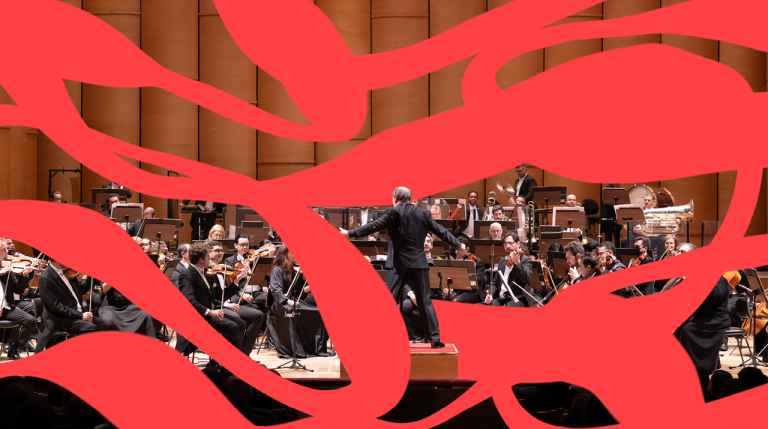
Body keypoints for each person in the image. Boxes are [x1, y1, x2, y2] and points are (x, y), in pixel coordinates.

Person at [339, 186, 465, 348]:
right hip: (419, 264)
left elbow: (373, 226)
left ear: (395, 199)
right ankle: (435, 339)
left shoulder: (393, 212)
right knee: (425, 301)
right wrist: (458, 244)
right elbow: (441, 232)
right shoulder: (423, 214)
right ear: (410, 198)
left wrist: (349, 233)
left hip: (398, 264)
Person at [177, 242, 246, 355]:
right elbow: (189, 301)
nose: (210, 259)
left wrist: (237, 280)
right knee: (232, 327)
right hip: (198, 317)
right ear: (200, 260)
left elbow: (220, 296)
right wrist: (210, 311)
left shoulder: (205, 273)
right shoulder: (187, 275)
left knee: (237, 325)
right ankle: (217, 359)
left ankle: (219, 360)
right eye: (208, 256)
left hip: (208, 315)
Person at [266, 246, 334, 358]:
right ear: (285, 254)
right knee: (291, 312)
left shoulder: (296, 271)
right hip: (280, 303)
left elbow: (300, 294)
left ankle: (315, 348)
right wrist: (287, 301)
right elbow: (276, 290)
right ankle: (296, 349)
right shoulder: (277, 270)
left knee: (318, 312)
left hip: (294, 300)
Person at [36, 257, 110, 353]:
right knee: (90, 327)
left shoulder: (66, 273)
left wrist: (91, 277)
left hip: (75, 314)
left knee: (105, 325)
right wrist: (81, 315)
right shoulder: (46, 278)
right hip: (60, 318)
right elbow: (55, 307)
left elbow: (81, 290)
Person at [207, 240, 264, 356]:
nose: (220, 253)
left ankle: (244, 353)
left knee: (258, 315)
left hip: (229, 303)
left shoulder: (222, 268)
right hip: (219, 306)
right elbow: (211, 297)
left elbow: (227, 291)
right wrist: (227, 305)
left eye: (222, 250)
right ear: (208, 252)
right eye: (217, 250)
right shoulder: (208, 271)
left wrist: (239, 278)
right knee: (238, 320)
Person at [676, 274, 731, 374]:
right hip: (703, 318)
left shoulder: (721, 281)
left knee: (686, 330)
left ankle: (700, 366)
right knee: (684, 328)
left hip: (717, 320)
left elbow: (715, 297)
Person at [0, 240, 36, 359]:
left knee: (31, 321)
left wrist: (25, 276)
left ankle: (14, 349)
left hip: (6, 308)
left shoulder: (7, 269)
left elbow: (18, 289)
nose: (7, 252)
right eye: (4, 249)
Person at [493, 231, 539, 307]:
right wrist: (490, 295)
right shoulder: (502, 261)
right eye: (505, 243)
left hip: (518, 299)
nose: (507, 246)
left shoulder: (525, 260)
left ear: (518, 243)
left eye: (510, 243)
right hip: (501, 299)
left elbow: (528, 279)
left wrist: (518, 263)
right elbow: (494, 283)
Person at [443, 236, 487, 304]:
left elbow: (480, 279)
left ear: (467, 249)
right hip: (458, 291)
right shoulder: (456, 262)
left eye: (459, 250)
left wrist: (469, 273)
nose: (456, 252)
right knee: (444, 298)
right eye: (456, 249)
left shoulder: (478, 262)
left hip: (473, 292)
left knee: (456, 300)